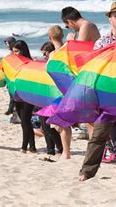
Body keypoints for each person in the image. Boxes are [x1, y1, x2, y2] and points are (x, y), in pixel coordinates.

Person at [79, 2, 116, 181]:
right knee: (99, 134)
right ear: (110, 19)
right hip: (107, 93)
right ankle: (87, 171)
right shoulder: (102, 42)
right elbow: (93, 68)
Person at [61, 7, 100, 139]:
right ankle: (94, 144)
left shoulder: (85, 26)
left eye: (67, 26)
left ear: (70, 21)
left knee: (90, 115)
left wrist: (70, 41)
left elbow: (79, 52)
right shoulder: (88, 25)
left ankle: (100, 146)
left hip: (91, 73)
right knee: (88, 115)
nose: (70, 29)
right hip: (90, 71)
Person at [47, 25, 73, 160]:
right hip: (69, 89)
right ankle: (66, 152)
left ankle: (66, 153)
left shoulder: (53, 55)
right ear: (61, 35)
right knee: (62, 123)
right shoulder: (68, 49)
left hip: (57, 91)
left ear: (50, 37)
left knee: (62, 123)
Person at [12, 40, 37, 153]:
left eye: (16, 51)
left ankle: (24, 147)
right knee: (24, 120)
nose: (15, 54)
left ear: (23, 51)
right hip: (17, 95)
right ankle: (32, 147)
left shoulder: (30, 63)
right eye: (13, 51)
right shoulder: (13, 63)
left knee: (25, 121)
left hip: (28, 95)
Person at [4, 36, 17, 116]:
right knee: (11, 93)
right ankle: (11, 109)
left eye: (8, 43)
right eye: (6, 43)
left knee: (13, 93)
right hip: (10, 75)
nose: (7, 44)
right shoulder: (11, 52)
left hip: (14, 75)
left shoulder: (16, 51)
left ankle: (11, 109)